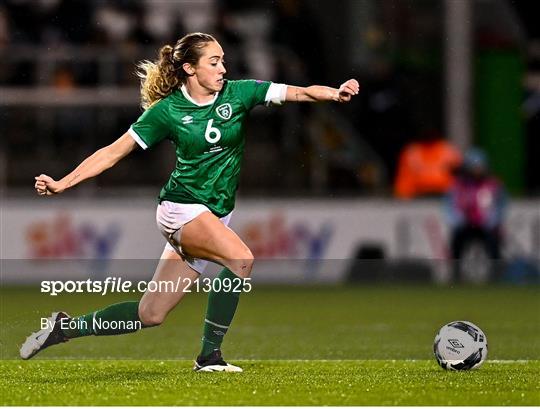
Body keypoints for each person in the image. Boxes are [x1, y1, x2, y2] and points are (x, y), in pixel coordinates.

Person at [20, 32, 359, 372]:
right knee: (240, 259)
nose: (223, 68)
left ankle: (64, 328)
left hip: (214, 214)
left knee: (150, 313)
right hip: (181, 209)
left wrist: (334, 93)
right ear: (189, 68)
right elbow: (112, 153)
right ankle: (209, 358)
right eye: (214, 62)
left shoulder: (239, 93)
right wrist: (64, 182)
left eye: (223, 60)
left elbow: (298, 91)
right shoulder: (167, 112)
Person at [445, 148, 507, 282]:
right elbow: (451, 206)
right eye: (474, 167)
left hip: (487, 226)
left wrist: (492, 221)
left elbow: (500, 206)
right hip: (466, 225)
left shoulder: (494, 185)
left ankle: (496, 276)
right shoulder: (458, 185)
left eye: (480, 167)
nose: (477, 170)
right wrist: (458, 220)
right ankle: (456, 275)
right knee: (457, 241)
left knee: (494, 244)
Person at [394, 129, 462, 199]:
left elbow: (459, 174)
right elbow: (404, 175)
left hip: (444, 194)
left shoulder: (447, 150)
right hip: (418, 195)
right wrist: (403, 195)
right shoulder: (412, 151)